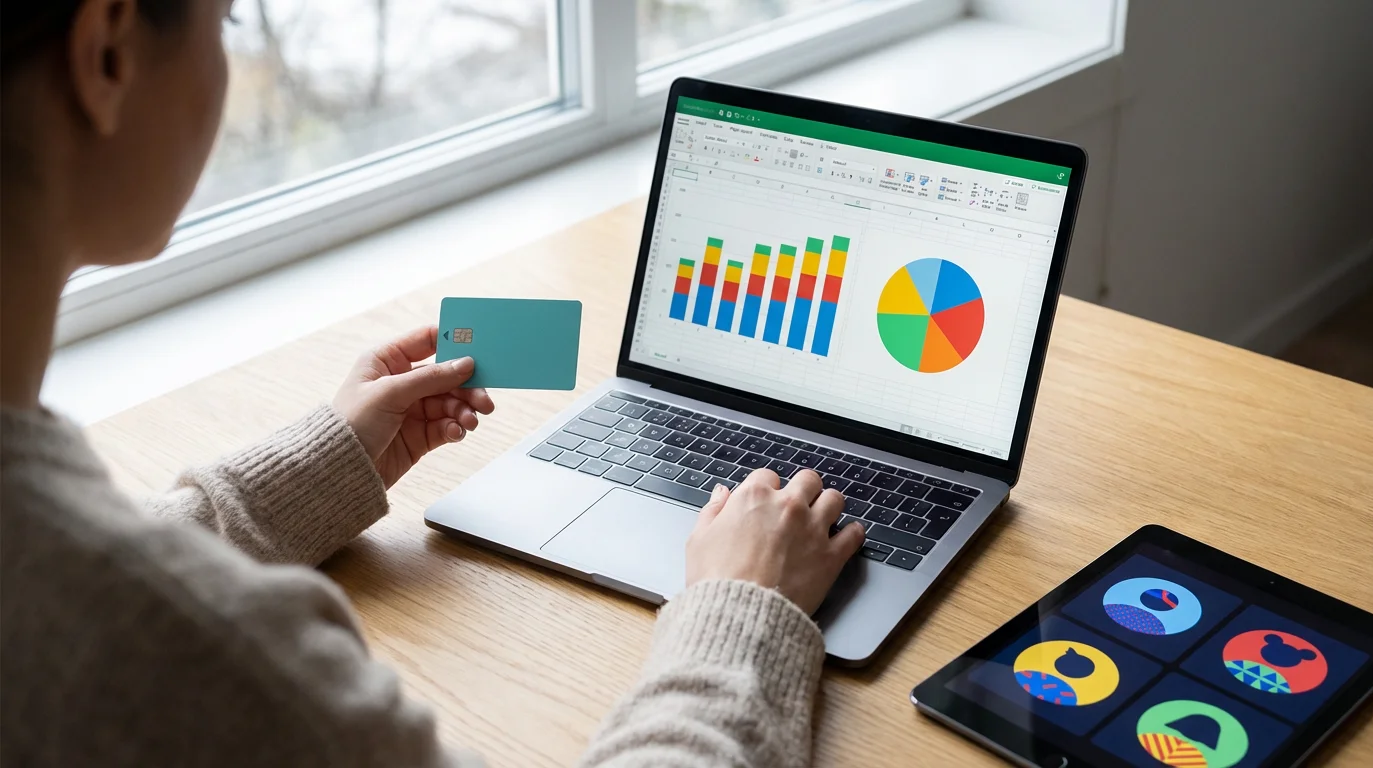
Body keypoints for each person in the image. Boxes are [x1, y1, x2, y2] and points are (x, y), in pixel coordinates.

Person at [0, 1, 869, 766]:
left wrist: (317, 470)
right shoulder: (213, 659)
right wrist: (741, 610)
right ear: (107, 50)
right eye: (225, 18)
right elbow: (134, 625)